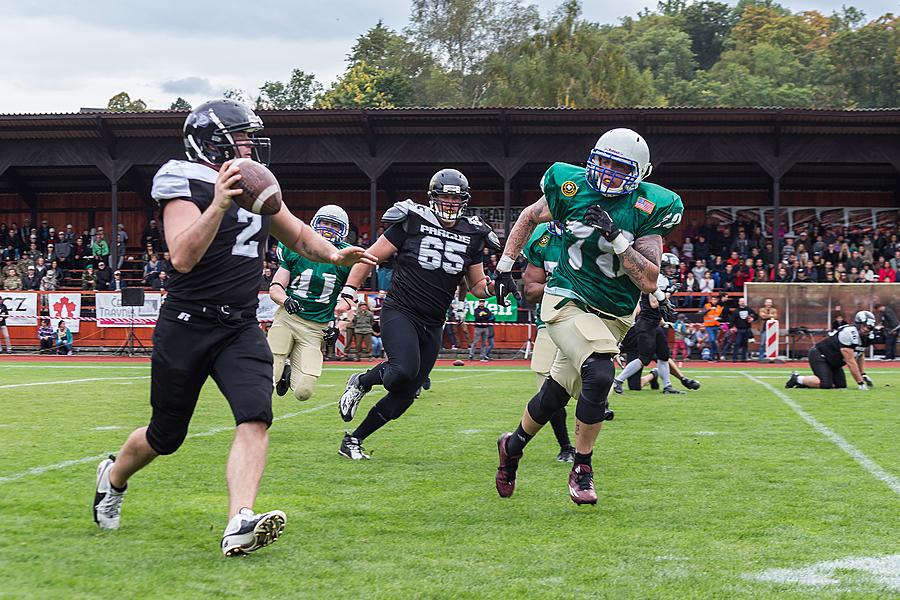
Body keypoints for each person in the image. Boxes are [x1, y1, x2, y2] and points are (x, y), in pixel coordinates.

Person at [92, 99, 375, 556]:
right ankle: (114, 476)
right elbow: (182, 256)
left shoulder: (255, 185)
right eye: (241, 137)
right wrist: (220, 202)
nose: (249, 145)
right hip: (187, 323)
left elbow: (299, 235)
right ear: (209, 142)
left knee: (255, 415)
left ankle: (240, 520)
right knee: (166, 436)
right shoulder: (182, 177)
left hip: (239, 325)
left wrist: (333, 254)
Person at [491, 127, 683, 504]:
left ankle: (511, 447)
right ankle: (583, 467)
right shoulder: (572, 186)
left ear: (640, 173)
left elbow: (646, 278)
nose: (608, 172)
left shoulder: (650, 206)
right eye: (604, 162)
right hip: (566, 299)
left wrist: (617, 237)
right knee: (599, 371)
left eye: (619, 166)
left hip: (614, 315)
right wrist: (504, 266)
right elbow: (529, 217)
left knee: (554, 395)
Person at [336, 168, 500, 460]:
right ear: (433, 197)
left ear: (464, 201)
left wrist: (496, 288)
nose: (450, 203)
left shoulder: (473, 234)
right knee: (402, 370)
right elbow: (372, 255)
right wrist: (350, 289)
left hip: (435, 321)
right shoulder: (411, 219)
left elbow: (476, 285)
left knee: (406, 395)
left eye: (456, 198)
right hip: (401, 310)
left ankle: (353, 440)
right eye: (445, 197)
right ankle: (361, 382)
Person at [267, 205, 353, 401]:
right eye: (325, 223)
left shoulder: (346, 258)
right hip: (288, 319)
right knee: (269, 375)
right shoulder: (297, 248)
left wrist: (338, 327)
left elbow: (350, 302)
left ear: (344, 231)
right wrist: (285, 300)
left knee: (303, 392)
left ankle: (288, 373)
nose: (329, 229)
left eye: (334, 225)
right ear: (315, 223)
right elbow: (275, 288)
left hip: (315, 328)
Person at [522, 220, 575, 462]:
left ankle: (584, 452)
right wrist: (559, 283)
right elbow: (530, 291)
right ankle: (566, 446)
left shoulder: (592, 230)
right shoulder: (542, 236)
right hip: (550, 322)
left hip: (586, 322)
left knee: (595, 385)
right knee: (546, 391)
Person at [612, 253, 686, 394]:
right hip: (646, 324)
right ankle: (618, 381)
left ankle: (667, 387)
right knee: (644, 359)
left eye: (673, 268)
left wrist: (665, 322)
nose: (672, 270)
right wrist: (670, 292)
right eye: (669, 267)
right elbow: (653, 303)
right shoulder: (658, 280)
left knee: (664, 356)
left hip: (655, 324)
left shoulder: (662, 280)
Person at [786, 311, 875, 390]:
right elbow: (850, 361)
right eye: (865, 326)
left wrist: (863, 374)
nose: (867, 329)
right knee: (826, 384)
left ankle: (807, 384)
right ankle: (797, 378)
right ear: (858, 324)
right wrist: (860, 383)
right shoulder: (848, 333)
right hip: (820, 355)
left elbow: (860, 354)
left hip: (834, 361)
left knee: (841, 386)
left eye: (869, 327)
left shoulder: (868, 337)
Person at [729, 297, 758, 361]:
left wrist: (752, 319)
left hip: (747, 329)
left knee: (745, 344)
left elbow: (756, 316)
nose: (742, 302)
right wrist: (732, 327)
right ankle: (734, 358)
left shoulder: (749, 309)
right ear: (739, 302)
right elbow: (732, 320)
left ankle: (744, 358)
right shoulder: (736, 311)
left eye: (743, 301)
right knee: (737, 344)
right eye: (741, 301)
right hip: (739, 330)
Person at [701, 295, 723, 361]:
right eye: (713, 299)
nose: (714, 301)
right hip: (709, 325)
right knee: (713, 340)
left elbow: (721, 316)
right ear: (711, 300)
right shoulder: (707, 306)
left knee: (713, 341)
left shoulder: (719, 307)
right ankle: (716, 354)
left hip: (716, 326)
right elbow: (703, 313)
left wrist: (719, 318)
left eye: (715, 300)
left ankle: (713, 356)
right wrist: (709, 309)